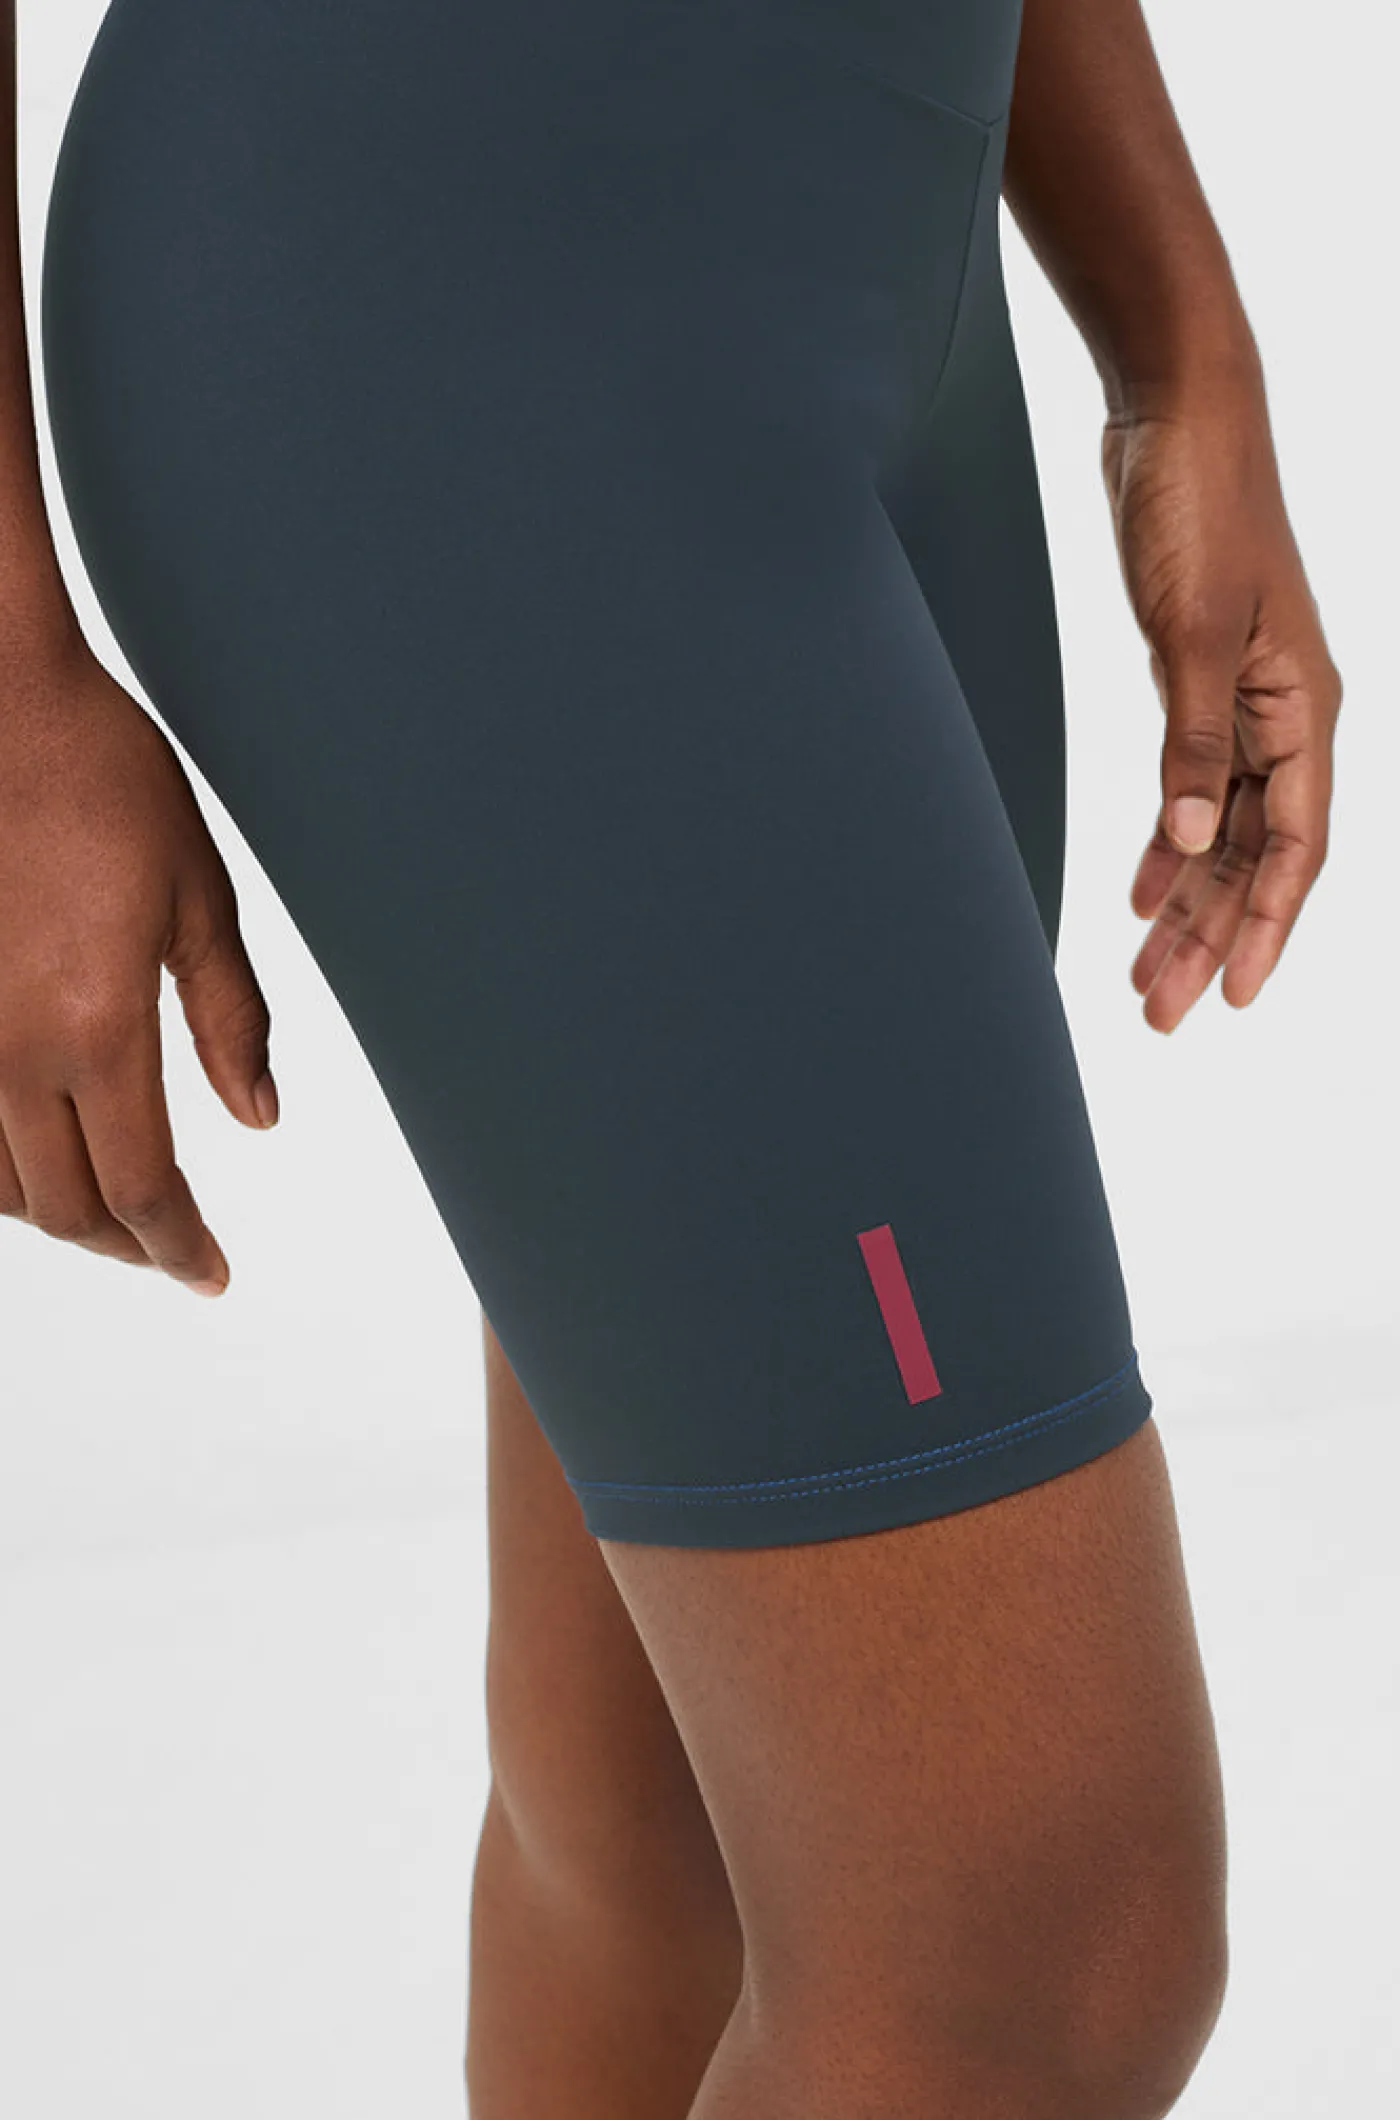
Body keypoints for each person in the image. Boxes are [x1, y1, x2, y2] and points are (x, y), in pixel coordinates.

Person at [2, 1, 1339, 2113]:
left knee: (676, 1840)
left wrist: (1182, 346)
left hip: (879, 287)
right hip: (451, 308)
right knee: (1031, 1948)